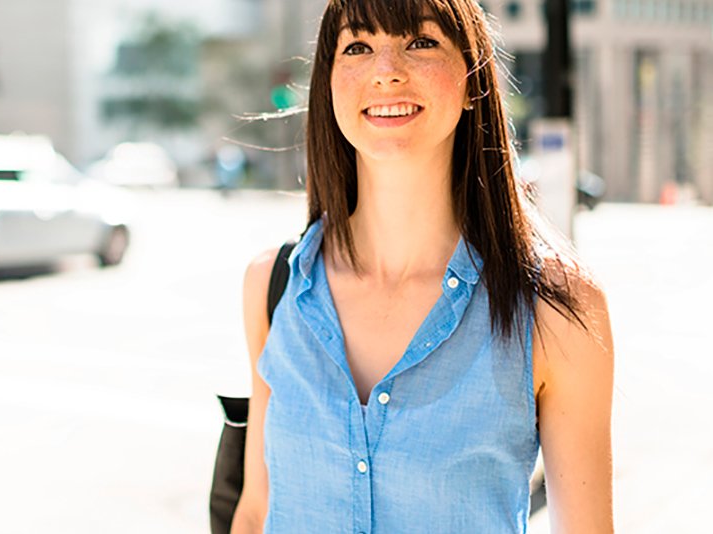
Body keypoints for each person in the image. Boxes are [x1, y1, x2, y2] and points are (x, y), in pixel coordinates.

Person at [231, 1, 614, 533]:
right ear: (328, 84)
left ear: (472, 77)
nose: (386, 69)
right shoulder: (273, 285)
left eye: (421, 42)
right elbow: (254, 513)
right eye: (358, 47)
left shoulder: (554, 307)